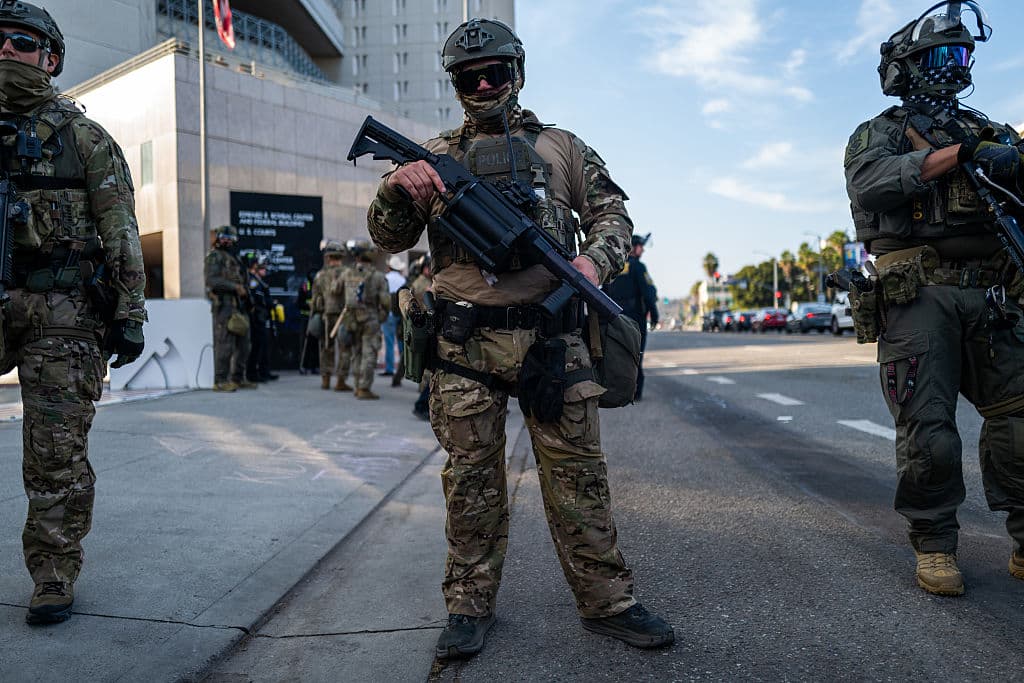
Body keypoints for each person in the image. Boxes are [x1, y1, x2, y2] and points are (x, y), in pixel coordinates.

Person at [366, 18, 673, 659]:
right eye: (468, 76)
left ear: (517, 72)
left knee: (578, 479)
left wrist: (596, 261)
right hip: (462, 346)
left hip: (551, 343)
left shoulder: (561, 147)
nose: (482, 84)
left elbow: (612, 211)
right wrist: (397, 188)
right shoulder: (430, 154)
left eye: (494, 72)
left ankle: (608, 602)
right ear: (454, 84)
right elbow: (388, 237)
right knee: (472, 483)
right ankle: (468, 605)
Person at [845, 0, 1024, 596]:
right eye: (942, 55)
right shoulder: (881, 132)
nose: (956, 66)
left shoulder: (989, 131)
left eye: (963, 54)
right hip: (919, 295)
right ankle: (935, 544)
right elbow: (874, 184)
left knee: (1018, 420)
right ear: (907, 67)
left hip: (994, 294)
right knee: (929, 431)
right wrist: (960, 157)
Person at [0, 1, 147, 625]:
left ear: (51, 58)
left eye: (22, 42)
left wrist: (130, 313)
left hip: (60, 310)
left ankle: (54, 573)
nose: (6, 50)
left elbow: (121, 232)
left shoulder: (84, 140)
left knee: (54, 453)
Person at [603, 233, 659, 401]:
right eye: (641, 246)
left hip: (614, 318)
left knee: (615, 354)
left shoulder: (613, 267)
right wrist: (654, 315)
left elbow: (603, 293)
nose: (642, 250)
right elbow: (648, 294)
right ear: (634, 247)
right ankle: (635, 392)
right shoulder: (638, 267)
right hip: (635, 319)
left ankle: (615, 391)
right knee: (636, 353)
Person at [337, 240, 390, 400]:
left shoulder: (347, 273)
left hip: (351, 319)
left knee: (357, 353)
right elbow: (386, 302)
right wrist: (382, 316)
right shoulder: (378, 276)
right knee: (369, 353)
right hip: (370, 319)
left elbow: (336, 291)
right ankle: (364, 388)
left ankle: (357, 384)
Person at [206, 226, 253, 392]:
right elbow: (212, 281)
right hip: (224, 306)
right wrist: (234, 287)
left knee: (244, 344)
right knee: (224, 344)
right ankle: (220, 381)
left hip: (239, 306)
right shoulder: (215, 256)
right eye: (223, 237)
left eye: (229, 237)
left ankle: (238, 378)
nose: (226, 240)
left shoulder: (235, 258)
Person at [310, 240, 350, 391]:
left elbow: (314, 299)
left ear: (328, 257)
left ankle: (325, 380)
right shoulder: (348, 273)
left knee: (326, 347)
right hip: (343, 315)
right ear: (341, 256)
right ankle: (340, 381)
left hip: (325, 316)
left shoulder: (320, 275)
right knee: (345, 348)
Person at [410, 254, 434, 420]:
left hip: (424, 328)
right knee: (427, 371)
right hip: (425, 328)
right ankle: (423, 404)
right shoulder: (423, 285)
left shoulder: (425, 283)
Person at [246, 257, 277, 382]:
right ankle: (253, 374)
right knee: (256, 347)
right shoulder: (253, 281)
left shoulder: (259, 281)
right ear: (256, 268)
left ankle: (264, 372)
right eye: (262, 267)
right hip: (256, 319)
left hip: (262, 317)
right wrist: (271, 303)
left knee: (263, 346)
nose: (265, 270)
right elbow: (259, 299)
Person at [381, 254, 406, 378]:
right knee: (401, 342)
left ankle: (390, 368)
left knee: (389, 342)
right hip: (400, 314)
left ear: (389, 267)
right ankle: (404, 368)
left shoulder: (385, 278)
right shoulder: (403, 280)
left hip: (388, 313)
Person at [296, 267, 319, 375]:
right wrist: (307, 305)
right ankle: (303, 366)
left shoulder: (319, 287)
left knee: (315, 342)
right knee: (305, 343)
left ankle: (314, 366)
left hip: (315, 317)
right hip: (306, 317)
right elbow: (299, 303)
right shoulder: (305, 287)